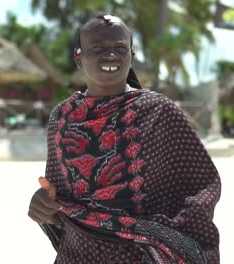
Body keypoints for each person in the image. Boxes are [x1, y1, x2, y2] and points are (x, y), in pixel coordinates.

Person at [28, 13, 221, 264]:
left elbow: (201, 186)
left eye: (120, 48)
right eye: (98, 48)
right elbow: (60, 199)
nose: (110, 55)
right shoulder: (62, 118)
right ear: (79, 57)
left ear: (132, 55)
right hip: (76, 255)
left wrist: (160, 239)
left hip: (140, 257)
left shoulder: (159, 111)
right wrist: (45, 207)